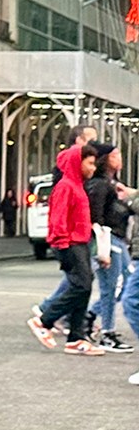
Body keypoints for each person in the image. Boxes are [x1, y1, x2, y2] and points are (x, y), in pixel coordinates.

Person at [29, 143, 105, 355]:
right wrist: (62, 243)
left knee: (83, 287)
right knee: (81, 286)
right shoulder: (66, 186)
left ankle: (76, 338)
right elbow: (58, 218)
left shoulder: (76, 185)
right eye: (89, 163)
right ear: (77, 163)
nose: (93, 168)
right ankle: (45, 320)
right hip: (70, 243)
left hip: (78, 242)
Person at [85, 144, 134, 353]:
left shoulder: (113, 185)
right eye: (115, 155)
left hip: (118, 239)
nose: (119, 158)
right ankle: (107, 331)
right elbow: (96, 216)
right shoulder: (100, 185)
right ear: (105, 159)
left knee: (124, 284)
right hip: (109, 238)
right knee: (113, 286)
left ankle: (92, 318)